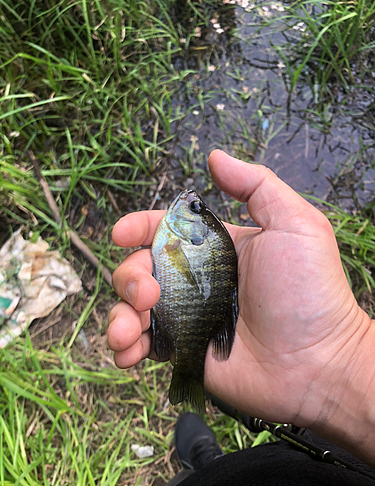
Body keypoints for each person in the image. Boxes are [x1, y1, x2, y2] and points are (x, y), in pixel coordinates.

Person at [108, 150, 375, 484]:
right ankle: (211, 463)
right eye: (197, 208)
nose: (192, 202)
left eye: (196, 209)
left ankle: (206, 466)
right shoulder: (182, 240)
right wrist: (346, 353)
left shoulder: (177, 240)